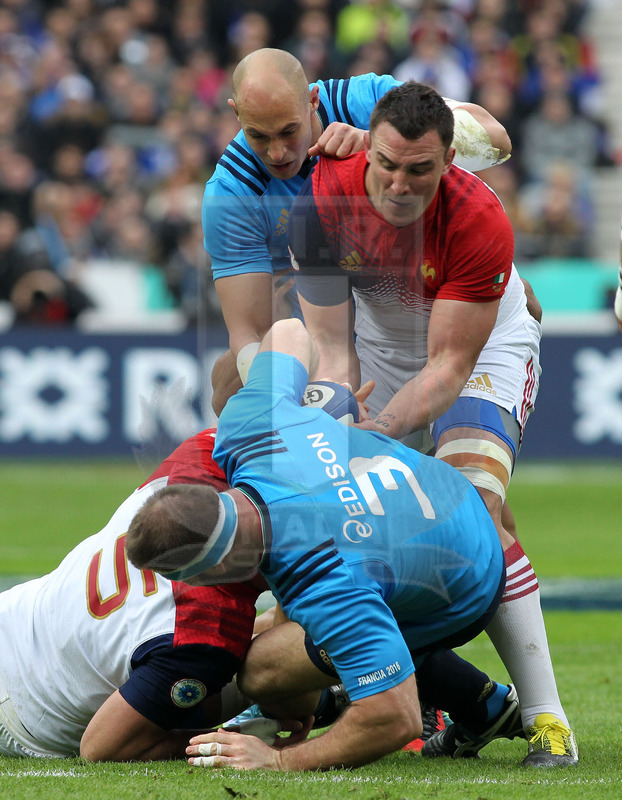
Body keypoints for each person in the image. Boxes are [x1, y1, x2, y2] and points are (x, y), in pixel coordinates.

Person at [286, 81, 577, 766]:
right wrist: (340, 417)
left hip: (481, 352)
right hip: (380, 355)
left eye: (420, 170)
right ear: (367, 152)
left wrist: (377, 433)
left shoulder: (479, 219)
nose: (398, 184)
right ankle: (459, 701)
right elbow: (330, 347)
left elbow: (447, 368)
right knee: (342, 523)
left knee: (472, 507)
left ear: (450, 160)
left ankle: (548, 724)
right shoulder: (321, 201)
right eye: (385, 164)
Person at [127, 317, 532, 772]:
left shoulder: (328, 582)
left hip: (470, 581)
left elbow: (394, 719)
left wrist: (279, 762)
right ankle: (483, 704)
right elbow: (289, 331)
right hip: (447, 490)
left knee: (262, 669)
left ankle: (475, 703)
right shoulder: (247, 426)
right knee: (282, 633)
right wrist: (322, 397)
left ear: (216, 572)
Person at [202, 47, 512, 412]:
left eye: (289, 131)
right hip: (313, 301)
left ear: (312, 100)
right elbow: (249, 333)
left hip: (399, 280)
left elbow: (498, 141)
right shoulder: (231, 194)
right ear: (236, 113)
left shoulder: (362, 102)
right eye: (258, 136)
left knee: (519, 298)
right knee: (230, 388)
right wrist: (285, 401)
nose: (277, 153)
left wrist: (376, 142)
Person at [0, 428, 264, 760]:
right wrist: (238, 735)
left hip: (14, 615)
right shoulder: (202, 631)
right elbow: (101, 747)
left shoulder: (195, 463)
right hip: (26, 707)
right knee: (253, 671)